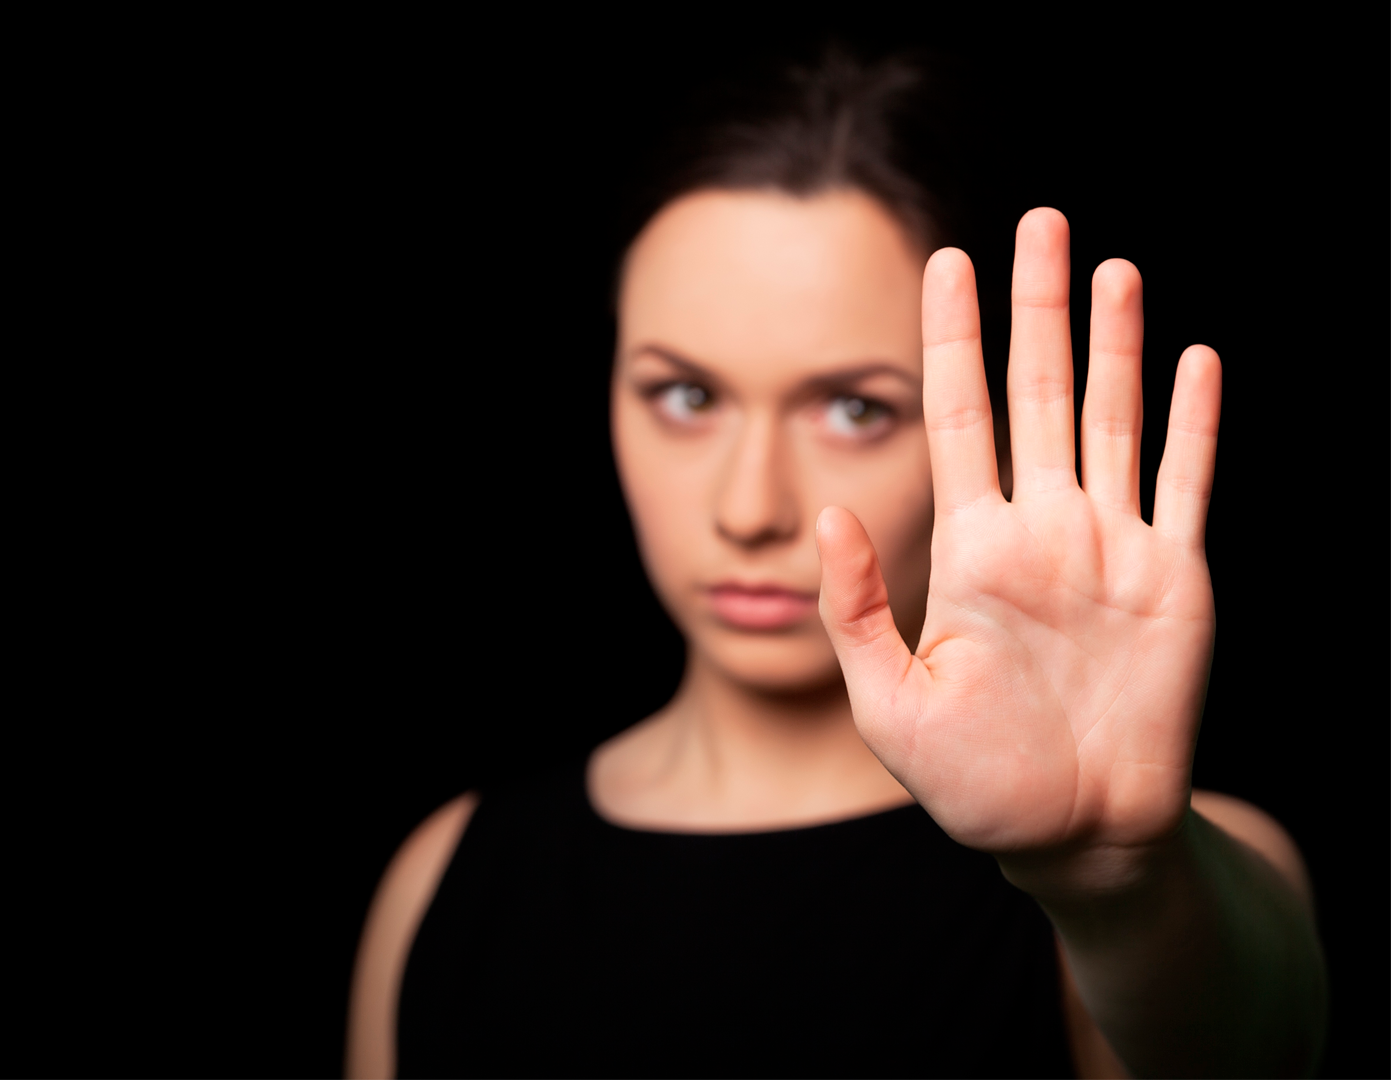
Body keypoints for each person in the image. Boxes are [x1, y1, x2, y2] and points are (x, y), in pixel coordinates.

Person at [347, 53, 1326, 1079]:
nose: (748, 508)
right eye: (683, 395)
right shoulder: (446, 878)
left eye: (856, 409)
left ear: (983, 412)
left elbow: (1248, 1042)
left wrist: (1114, 886)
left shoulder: (1148, 871)